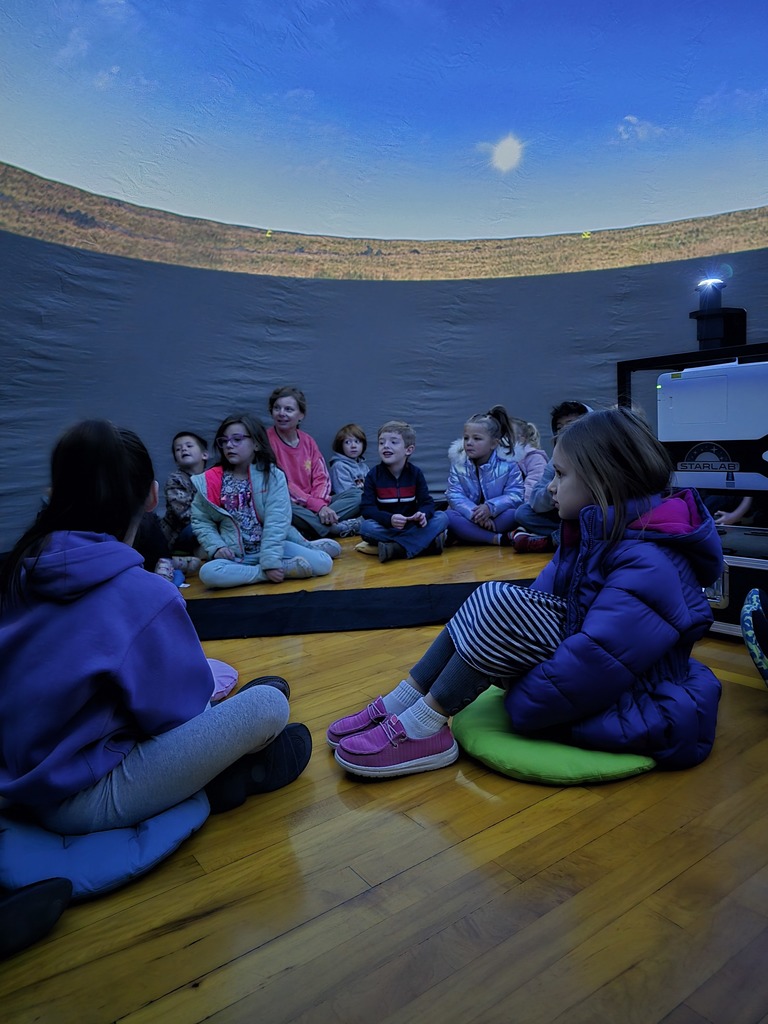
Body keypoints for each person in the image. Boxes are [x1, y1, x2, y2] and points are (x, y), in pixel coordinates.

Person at [328, 407, 722, 778]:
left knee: (499, 606)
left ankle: (424, 726)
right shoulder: (597, 532)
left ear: (603, 483)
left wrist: (518, 690)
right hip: (591, 672)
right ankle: (403, 700)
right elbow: (538, 606)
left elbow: (598, 663)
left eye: (560, 475)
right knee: (492, 599)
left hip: (631, 697)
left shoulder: (649, 562)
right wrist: (499, 652)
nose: (550, 487)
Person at [0, 420, 312, 836]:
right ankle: (223, 775)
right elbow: (176, 717)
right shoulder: (144, 593)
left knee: (197, 675)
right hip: (77, 794)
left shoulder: (23, 567)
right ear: (152, 495)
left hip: (19, 765)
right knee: (268, 705)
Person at [191, 413, 338, 590]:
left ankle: (306, 546)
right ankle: (261, 574)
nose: (229, 445)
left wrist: (270, 561)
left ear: (256, 444)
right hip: (239, 555)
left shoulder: (272, 475)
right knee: (208, 573)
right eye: (224, 441)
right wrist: (216, 547)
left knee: (324, 564)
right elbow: (201, 520)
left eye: (237, 439)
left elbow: (277, 522)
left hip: (274, 546)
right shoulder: (211, 480)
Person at [267, 387, 362, 538]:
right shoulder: (266, 442)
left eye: (288, 409)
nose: (281, 413)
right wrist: (317, 506)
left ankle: (312, 528)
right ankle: (333, 529)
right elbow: (281, 485)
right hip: (291, 504)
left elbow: (321, 476)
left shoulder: (308, 441)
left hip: (315, 504)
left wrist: (320, 504)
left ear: (301, 416)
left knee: (358, 495)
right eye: (277, 408)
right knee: (279, 507)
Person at [357, 420, 449, 563]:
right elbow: (367, 508)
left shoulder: (415, 474)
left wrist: (423, 515)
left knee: (442, 517)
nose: (386, 446)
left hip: (412, 525)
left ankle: (396, 548)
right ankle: (426, 544)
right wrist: (389, 519)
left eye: (393, 442)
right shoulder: (373, 475)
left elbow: (427, 502)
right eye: (381, 443)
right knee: (366, 527)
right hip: (387, 526)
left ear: (409, 450)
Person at [513, 400, 592, 553]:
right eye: (559, 428)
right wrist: (556, 491)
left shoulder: (600, 454)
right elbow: (535, 499)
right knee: (522, 513)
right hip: (565, 513)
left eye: (570, 425)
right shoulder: (555, 460)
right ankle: (565, 536)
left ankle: (554, 540)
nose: (564, 432)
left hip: (594, 514)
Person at [445, 406, 524, 545]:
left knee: (517, 513)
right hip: (471, 517)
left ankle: (470, 535)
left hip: (497, 516)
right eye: (466, 438)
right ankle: (496, 539)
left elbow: (515, 494)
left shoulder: (508, 464)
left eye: (477, 439)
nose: (469, 443)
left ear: (494, 443)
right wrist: (476, 515)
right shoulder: (458, 464)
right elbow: (454, 494)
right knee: (448, 516)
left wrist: (490, 508)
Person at [158, 430, 209, 571]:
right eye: (178, 449)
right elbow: (185, 515)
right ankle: (186, 555)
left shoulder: (211, 477)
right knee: (194, 527)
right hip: (181, 534)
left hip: (207, 527)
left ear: (205, 454)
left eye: (189, 446)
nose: (183, 449)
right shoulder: (175, 479)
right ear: (176, 460)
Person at [512, 418, 548, 502]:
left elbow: (534, 483)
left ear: (521, 439)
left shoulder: (535, 458)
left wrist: (522, 503)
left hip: (526, 504)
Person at [329, 423, 370, 494]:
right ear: (341, 446)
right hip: (347, 501)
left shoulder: (364, 467)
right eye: (347, 442)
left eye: (357, 441)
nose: (353, 446)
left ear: (363, 445)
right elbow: (348, 494)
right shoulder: (339, 466)